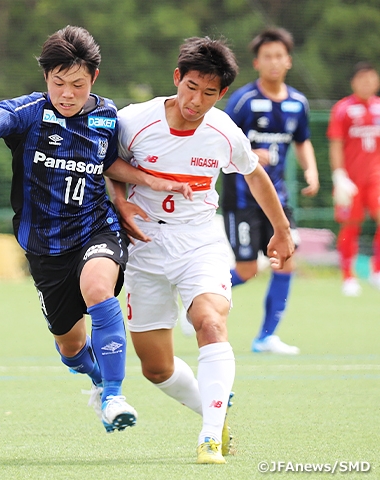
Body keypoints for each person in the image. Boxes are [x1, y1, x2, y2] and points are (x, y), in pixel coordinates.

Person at [0, 25, 192, 433]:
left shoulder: (106, 116)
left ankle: (114, 395)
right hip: (44, 248)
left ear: (93, 80)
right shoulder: (30, 111)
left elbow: (105, 163)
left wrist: (149, 181)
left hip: (95, 229)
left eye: (78, 84)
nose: (67, 93)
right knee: (70, 348)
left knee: (99, 289)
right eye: (58, 83)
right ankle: (98, 378)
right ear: (46, 78)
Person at [108, 37, 294, 463]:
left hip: (199, 242)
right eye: (191, 87)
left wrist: (281, 230)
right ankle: (213, 409)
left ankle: (209, 437)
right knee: (155, 368)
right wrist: (124, 200)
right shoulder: (134, 120)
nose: (196, 101)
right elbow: (107, 163)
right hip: (144, 247)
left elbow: (254, 174)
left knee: (210, 322)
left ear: (222, 93)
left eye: (209, 93)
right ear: (177, 78)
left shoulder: (224, 131)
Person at [221, 27, 319, 354]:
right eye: (268, 57)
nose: (274, 62)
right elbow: (220, 139)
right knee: (247, 270)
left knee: (285, 259)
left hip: (278, 198)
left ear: (288, 60)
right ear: (257, 63)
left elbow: (302, 141)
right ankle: (198, 297)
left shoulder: (298, 103)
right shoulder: (244, 100)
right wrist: (248, 151)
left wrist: (311, 172)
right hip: (242, 196)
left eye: (280, 56)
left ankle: (266, 337)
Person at [327, 62, 380, 296]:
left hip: (376, 177)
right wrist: (339, 175)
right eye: (362, 79)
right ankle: (348, 276)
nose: (367, 83)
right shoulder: (343, 109)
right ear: (353, 82)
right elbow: (336, 144)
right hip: (351, 180)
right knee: (350, 225)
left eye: (371, 78)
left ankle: (376, 271)